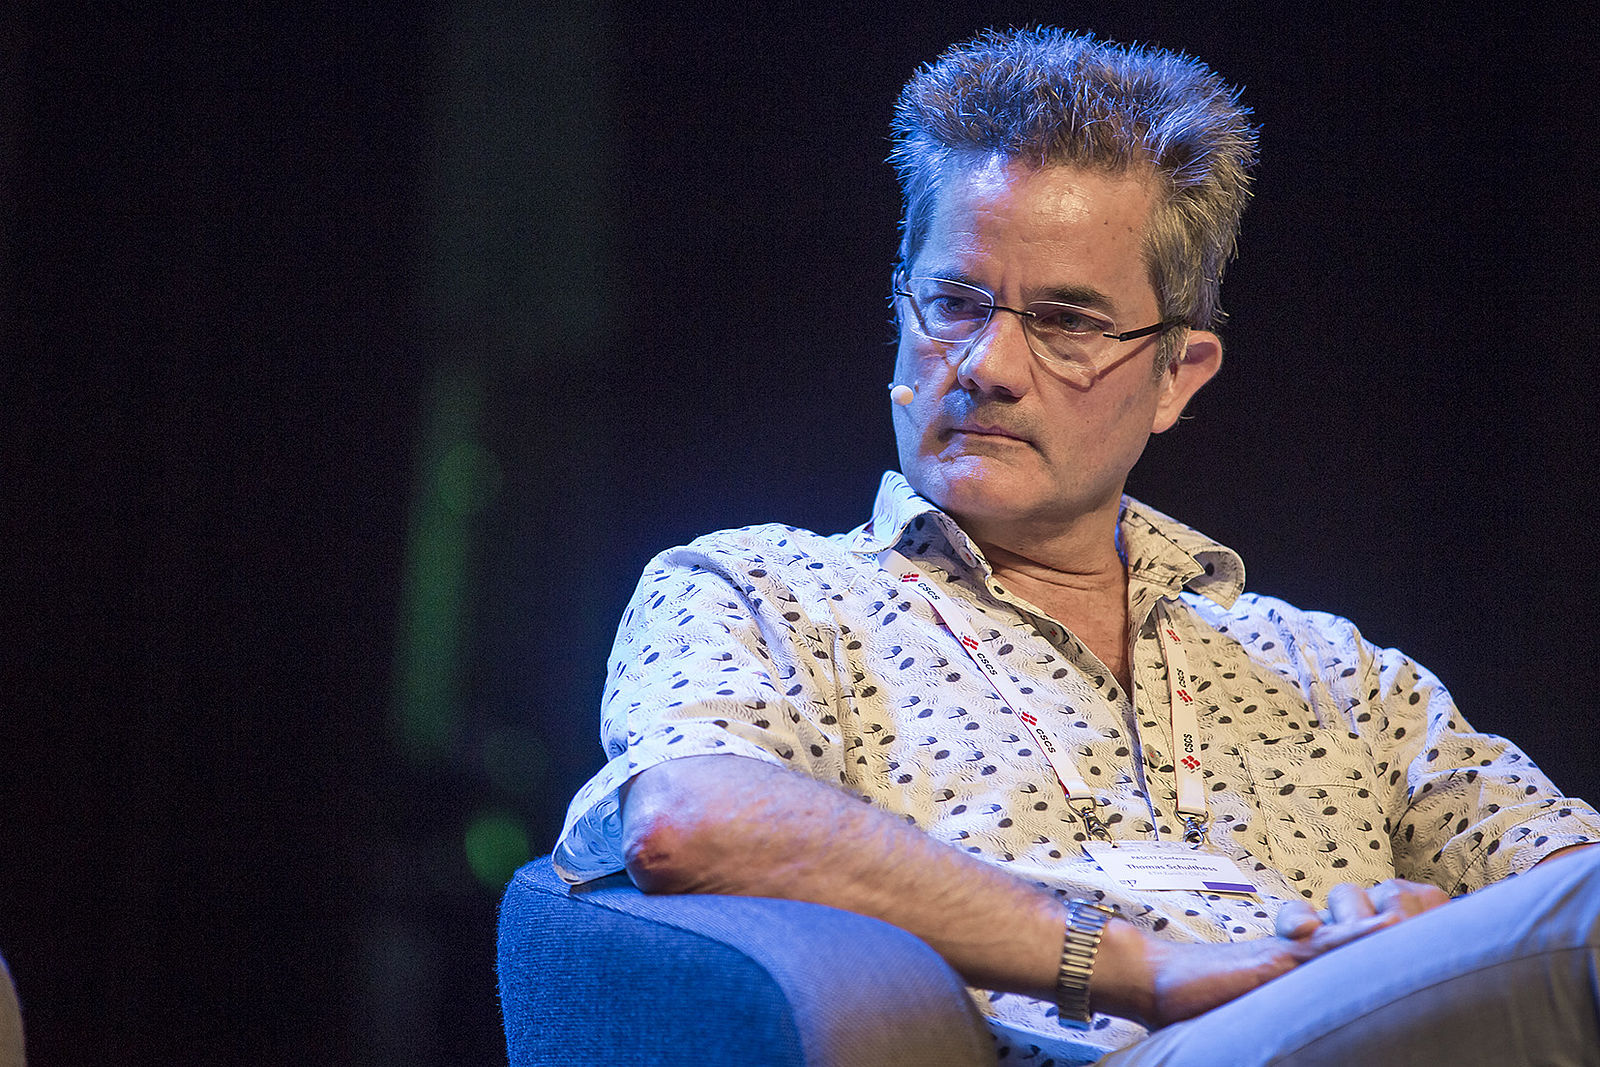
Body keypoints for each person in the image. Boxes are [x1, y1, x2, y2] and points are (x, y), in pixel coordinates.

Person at [551, 27, 1600, 1065]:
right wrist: (1147, 967)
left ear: (1178, 376)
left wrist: (1427, 940)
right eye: (954, 303)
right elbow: (690, 819)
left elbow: (1565, 877)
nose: (989, 366)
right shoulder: (760, 590)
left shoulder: (1337, 676)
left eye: (1066, 322)